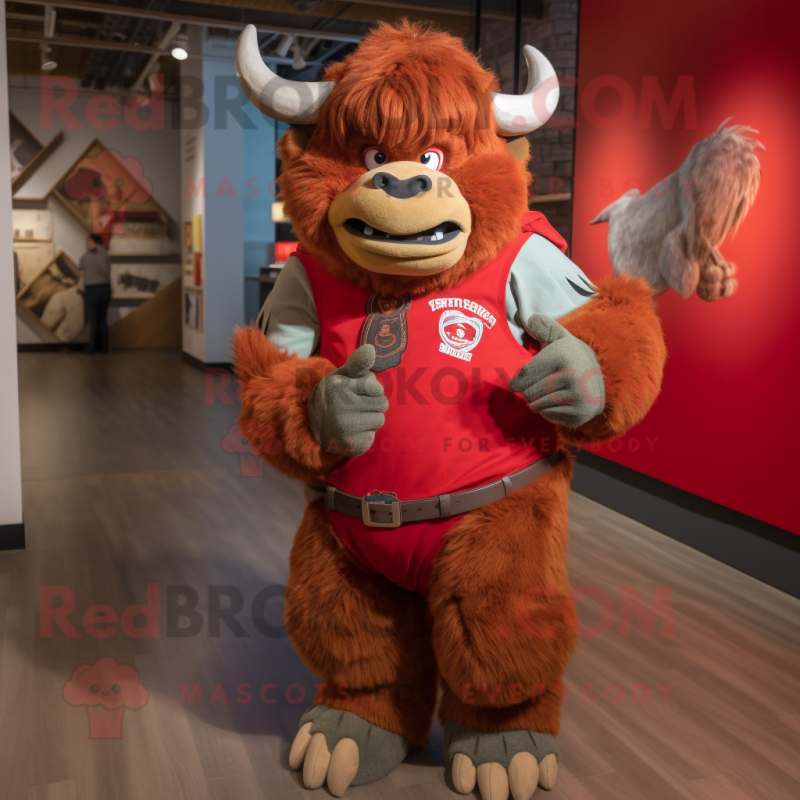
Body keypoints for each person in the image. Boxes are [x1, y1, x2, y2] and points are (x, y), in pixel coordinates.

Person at [79, 233, 112, 353]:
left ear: (93, 242)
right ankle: (104, 347)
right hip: (105, 288)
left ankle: (92, 347)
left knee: (93, 321)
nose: (86, 244)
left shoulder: (85, 257)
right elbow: (107, 271)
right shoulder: (106, 255)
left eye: (88, 241)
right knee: (102, 320)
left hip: (91, 289)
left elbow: (80, 267)